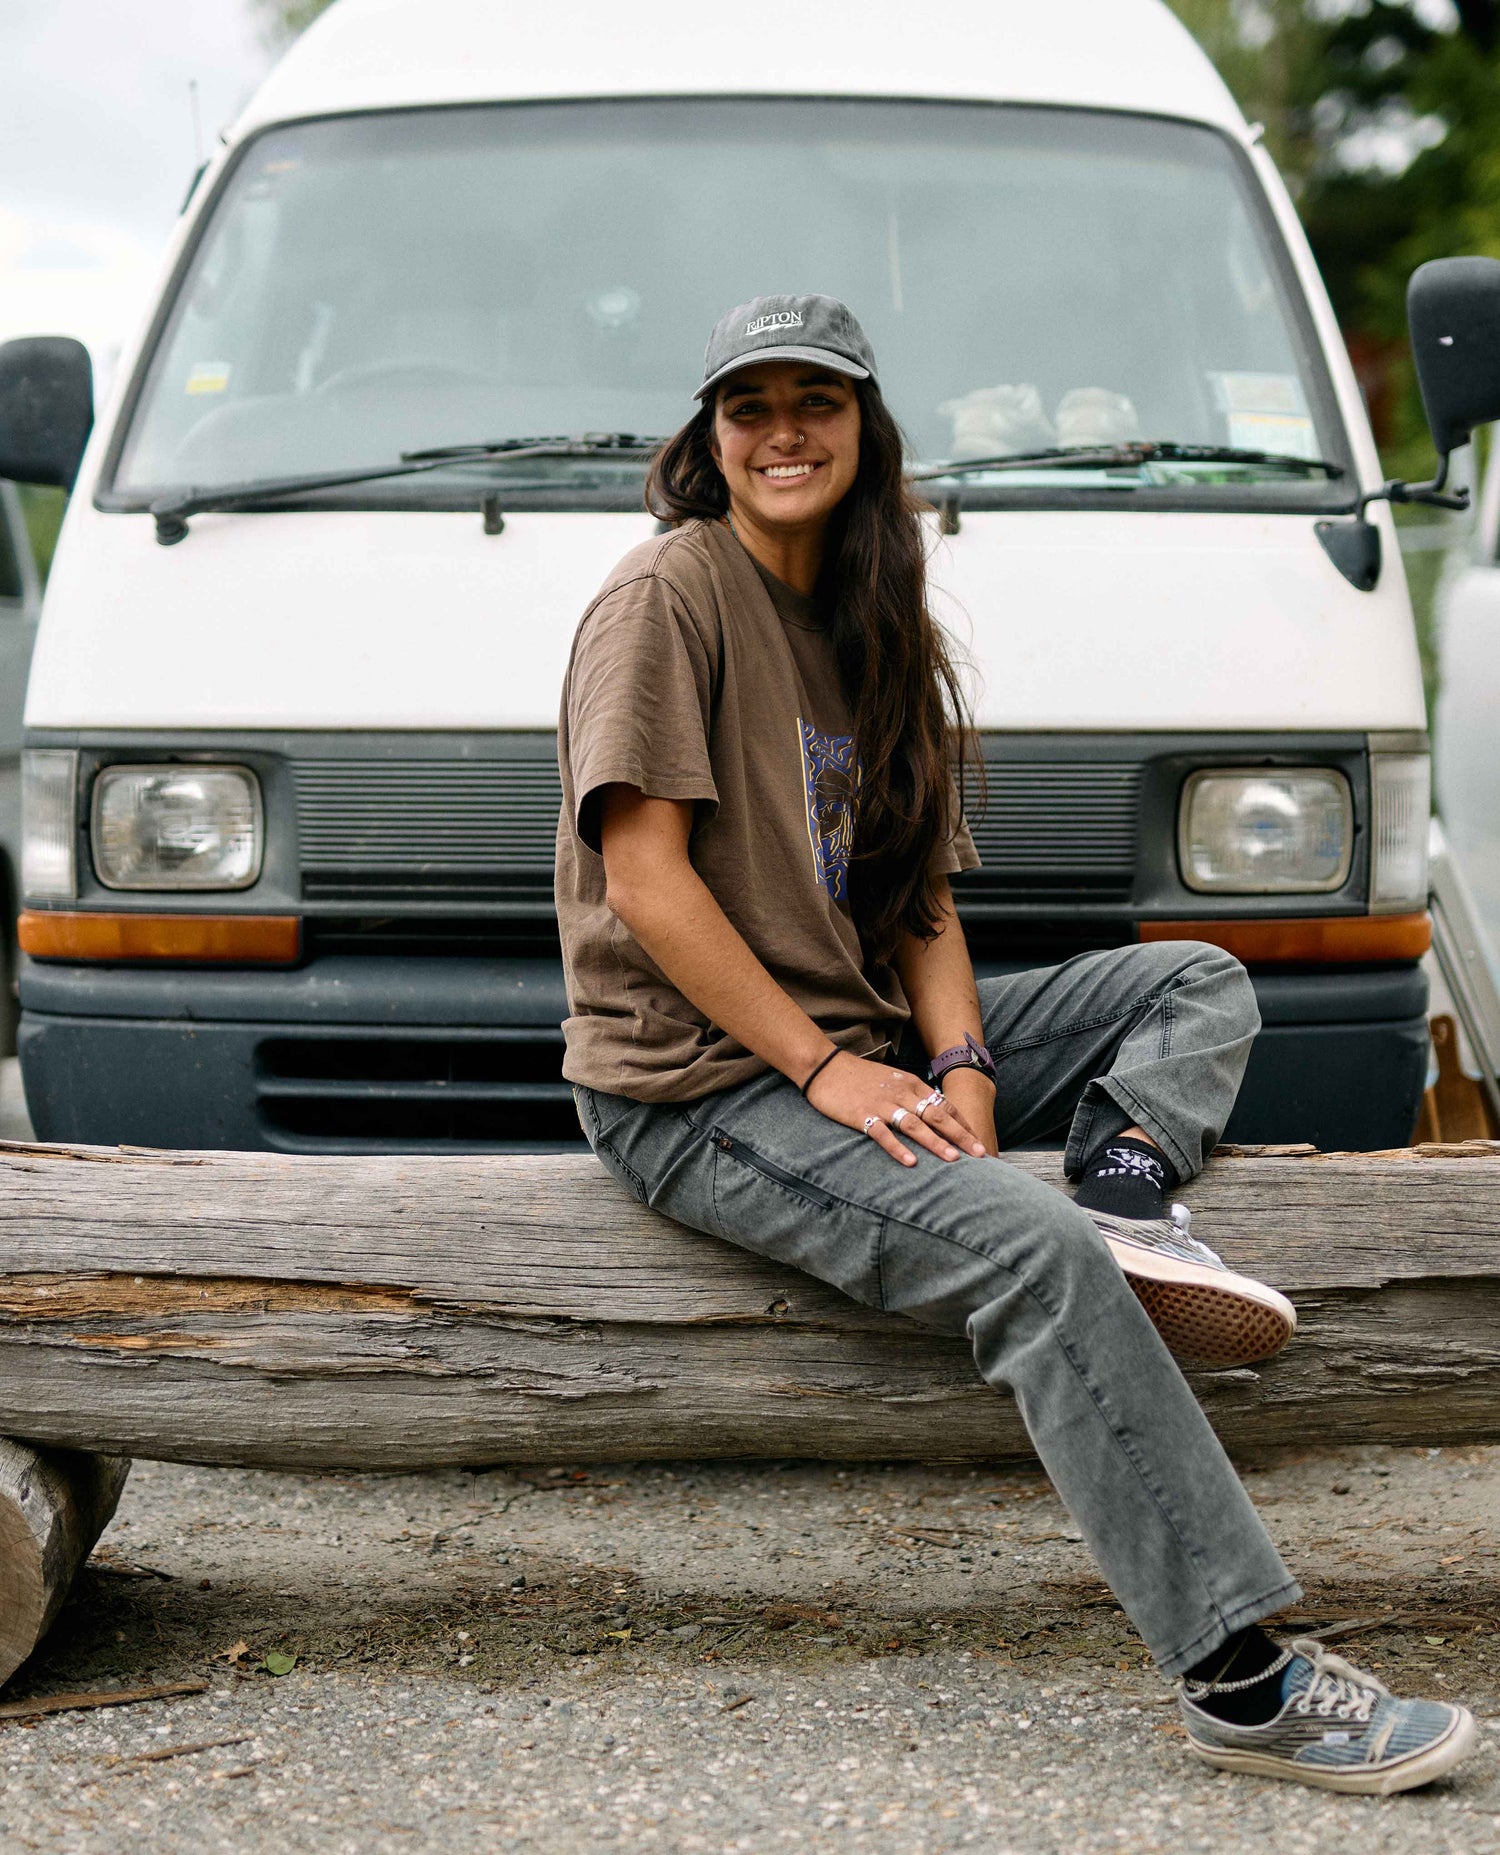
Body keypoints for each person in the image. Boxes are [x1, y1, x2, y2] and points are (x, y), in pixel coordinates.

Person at [554, 292, 1476, 1793]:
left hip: (848, 1037)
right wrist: (832, 1072)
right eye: (751, 407)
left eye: (818, 403)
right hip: (700, 1087)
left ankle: (1128, 1188)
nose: (785, 431)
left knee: (1194, 980)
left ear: (864, 430)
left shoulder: (868, 622)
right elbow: (645, 881)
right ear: (709, 438)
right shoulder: (667, 598)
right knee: (1030, 1257)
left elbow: (916, 894)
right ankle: (1241, 1680)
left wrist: (967, 1062)